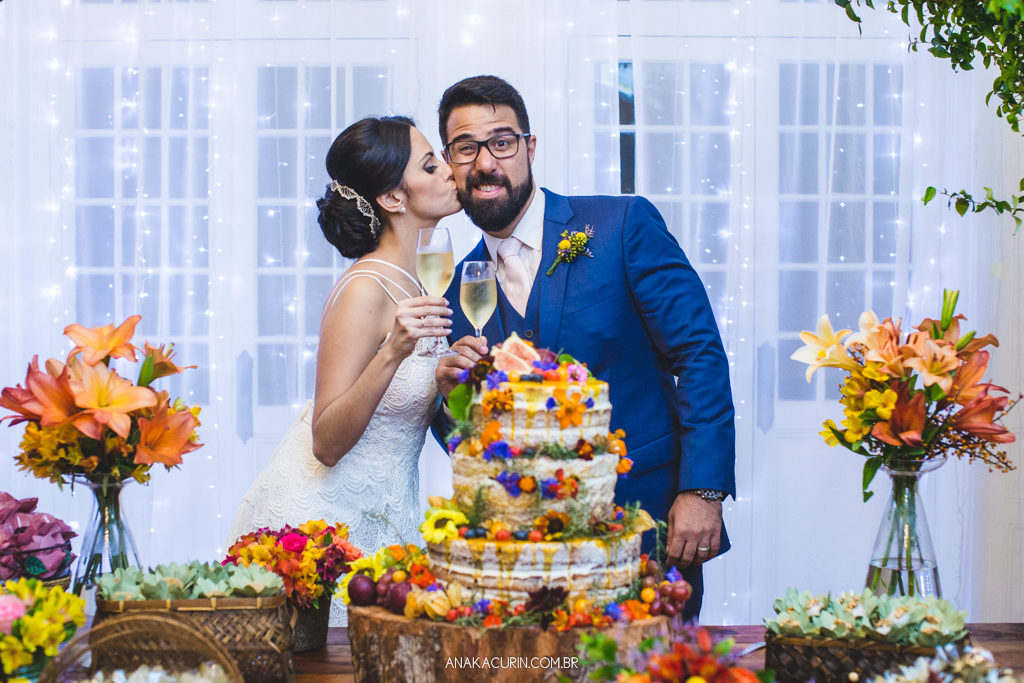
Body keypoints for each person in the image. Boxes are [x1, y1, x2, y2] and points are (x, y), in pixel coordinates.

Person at [433, 76, 736, 621]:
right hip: (531, 558)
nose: (485, 163)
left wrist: (703, 489)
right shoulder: (456, 291)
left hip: (650, 521)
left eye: (501, 141)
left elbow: (698, 354)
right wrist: (452, 396)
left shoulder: (620, 226)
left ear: (529, 147)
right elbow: (468, 438)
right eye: (465, 147)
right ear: (451, 165)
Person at [228, 115, 461, 626]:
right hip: (325, 525)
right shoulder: (364, 288)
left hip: (386, 516)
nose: (450, 170)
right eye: (431, 164)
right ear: (394, 199)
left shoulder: (418, 283)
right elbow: (326, 442)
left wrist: (446, 381)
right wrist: (393, 352)